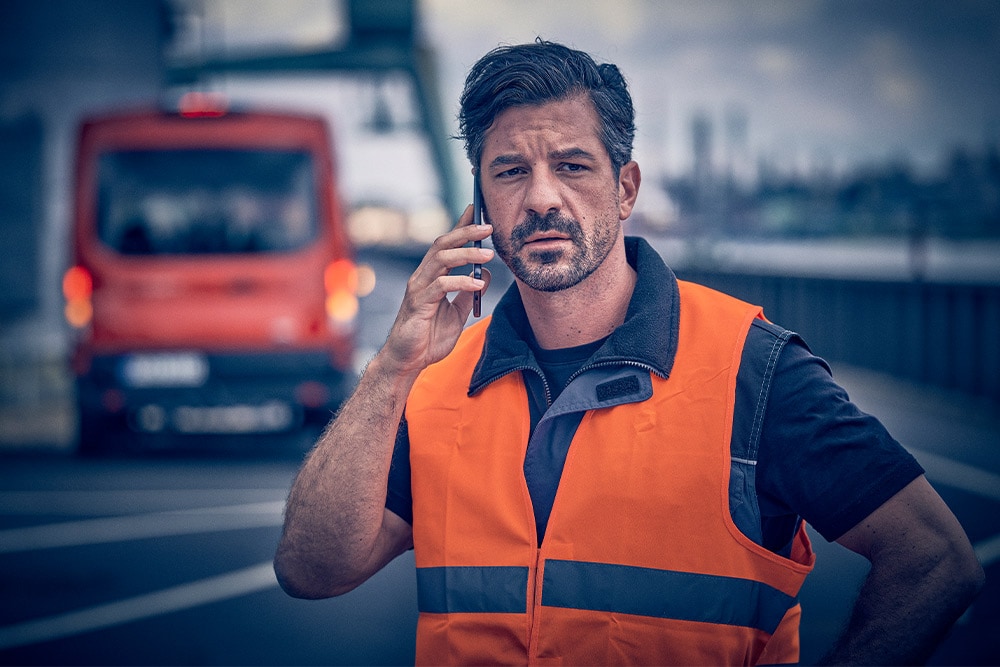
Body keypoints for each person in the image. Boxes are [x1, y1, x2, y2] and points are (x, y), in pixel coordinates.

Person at [274, 40, 984, 665]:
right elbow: (311, 569)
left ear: (626, 188)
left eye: (574, 165)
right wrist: (394, 366)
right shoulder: (432, 382)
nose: (542, 197)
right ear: (481, 207)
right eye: (511, 171)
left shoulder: (752, 370)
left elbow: (935, 560)